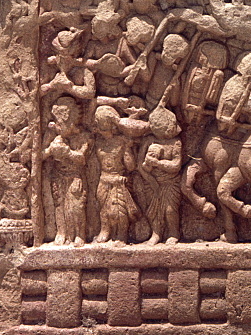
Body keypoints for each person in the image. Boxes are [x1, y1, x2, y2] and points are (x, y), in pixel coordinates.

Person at [43, 97, 91, 246]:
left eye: (63, 123)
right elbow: (40, 155)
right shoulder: (52, 135)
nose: (59, 126)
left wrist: (67, 152)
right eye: (58, 122)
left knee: (76, 206)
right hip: (58, 175)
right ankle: (61, 232)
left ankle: (80, 234)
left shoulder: (83, 136)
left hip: (75, 175)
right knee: (59, 205)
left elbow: (82, 158)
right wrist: (51, 149)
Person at [92, 105, 139, 244]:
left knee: (119, 210)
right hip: (103, 178)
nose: (101, 130)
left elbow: (131, 166)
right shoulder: (98, 141)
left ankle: (121, 234)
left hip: (118, 179)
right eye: (100, 126)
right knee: (103, 208)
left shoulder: (122, 141)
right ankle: (105, 230)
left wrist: (128, 149)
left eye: (104, 126)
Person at [139, 108, 183, 244]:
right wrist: (148, 169)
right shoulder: (149, 141)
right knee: (154, 211)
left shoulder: (176, 143)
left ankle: (174, 233)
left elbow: (176, 165)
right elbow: (139, 164)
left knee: (170, 210)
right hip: (152, 182)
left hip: (170, 182)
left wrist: (158, 163)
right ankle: (156, 233)